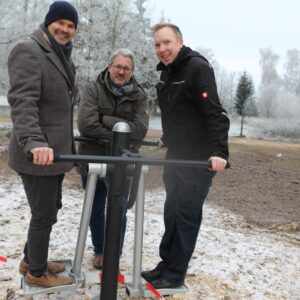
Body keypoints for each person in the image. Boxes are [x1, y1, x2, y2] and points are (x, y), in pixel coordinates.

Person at [141, 23, 230, 289]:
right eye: (157, 44)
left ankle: (175, 274)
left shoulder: (197, 68)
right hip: (176, 156)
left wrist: (219, 152)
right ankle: (166, 265)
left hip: (197, 159)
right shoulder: (166, 73)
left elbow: (214, 113)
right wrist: (168, 138)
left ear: (180, 42)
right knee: (171, 213)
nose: (162, 49)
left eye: (167, 43)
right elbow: (181, 114)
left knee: (186, 215)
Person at [7, 1, 79, 288]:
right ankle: (37, 272)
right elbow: (23, 102)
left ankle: (30, 258)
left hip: (55, 152)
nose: (65, 29)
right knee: (44, 214)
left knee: (50, 208)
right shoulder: (29, 50)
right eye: (60, 23)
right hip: (38, 153)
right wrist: (34, 141)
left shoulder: (61, 54)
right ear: (48, 22)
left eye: (71, 26)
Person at [77, 48, 149, 269]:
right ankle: (100, 250)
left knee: (120, 210)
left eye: (126, 68)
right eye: (118, 66)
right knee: (95, 208)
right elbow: (86, 124)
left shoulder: (139, 95)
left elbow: (140, 130)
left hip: (124, 163)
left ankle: (113, 254)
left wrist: (104, 119)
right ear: (109, 67)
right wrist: (120, 134)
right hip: (92, 159)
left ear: (132, 71)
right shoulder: (92, 89)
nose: (121, 71)